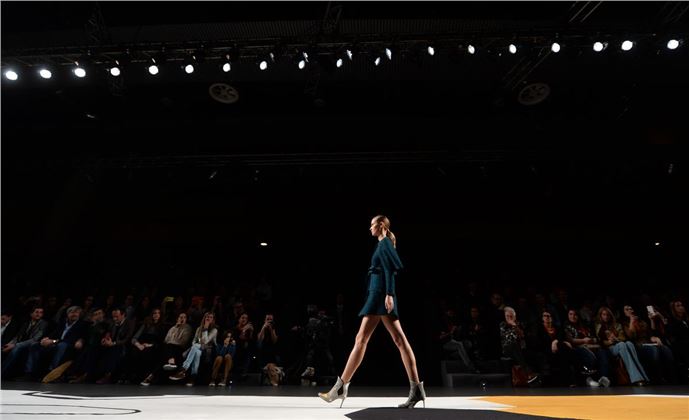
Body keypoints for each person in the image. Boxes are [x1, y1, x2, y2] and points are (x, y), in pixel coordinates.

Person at [318, 215, 425, 409]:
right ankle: (415, 389)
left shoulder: (384, 243)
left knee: (369, 340)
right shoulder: (382, 244)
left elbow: (391, 269)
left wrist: (389, 294)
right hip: (377, 293)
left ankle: (340, 388)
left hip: (380, 294)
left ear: (381, 225)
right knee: (391, 340)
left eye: (372, 225)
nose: (370, 228)